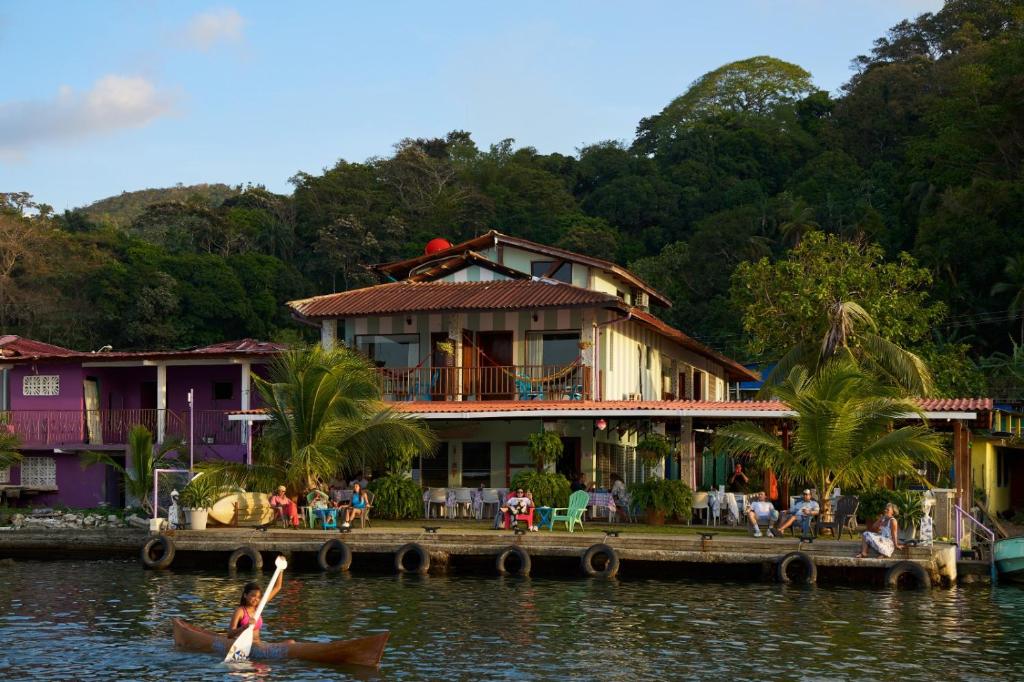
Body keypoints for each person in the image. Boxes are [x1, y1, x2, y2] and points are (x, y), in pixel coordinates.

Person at [228, 568, 285, 645]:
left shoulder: (259, 606)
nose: (256, 599)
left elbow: (277, 587)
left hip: (257, 644)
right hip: (243, 645)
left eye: (258, 597)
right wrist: (245, 626)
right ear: (245, 595)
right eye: (253, 596)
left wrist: (280, 569)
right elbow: (230, 634)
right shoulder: (240, 611)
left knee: (290, 642)